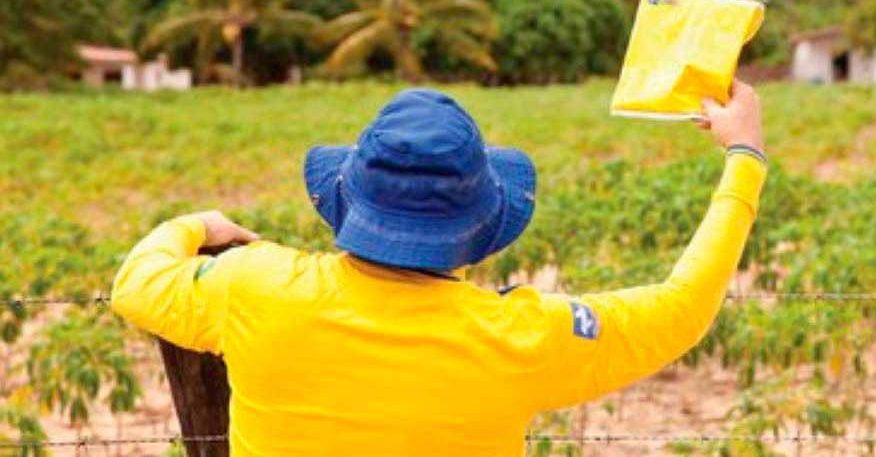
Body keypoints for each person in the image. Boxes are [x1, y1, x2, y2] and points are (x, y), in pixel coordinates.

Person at [111, 82, 767, 456]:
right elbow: (684, 305)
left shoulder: (254, 286)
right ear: (483, 226)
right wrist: (744, 154)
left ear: (346, 198)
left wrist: (199, 225)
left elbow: (135, 283)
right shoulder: (521, 337)